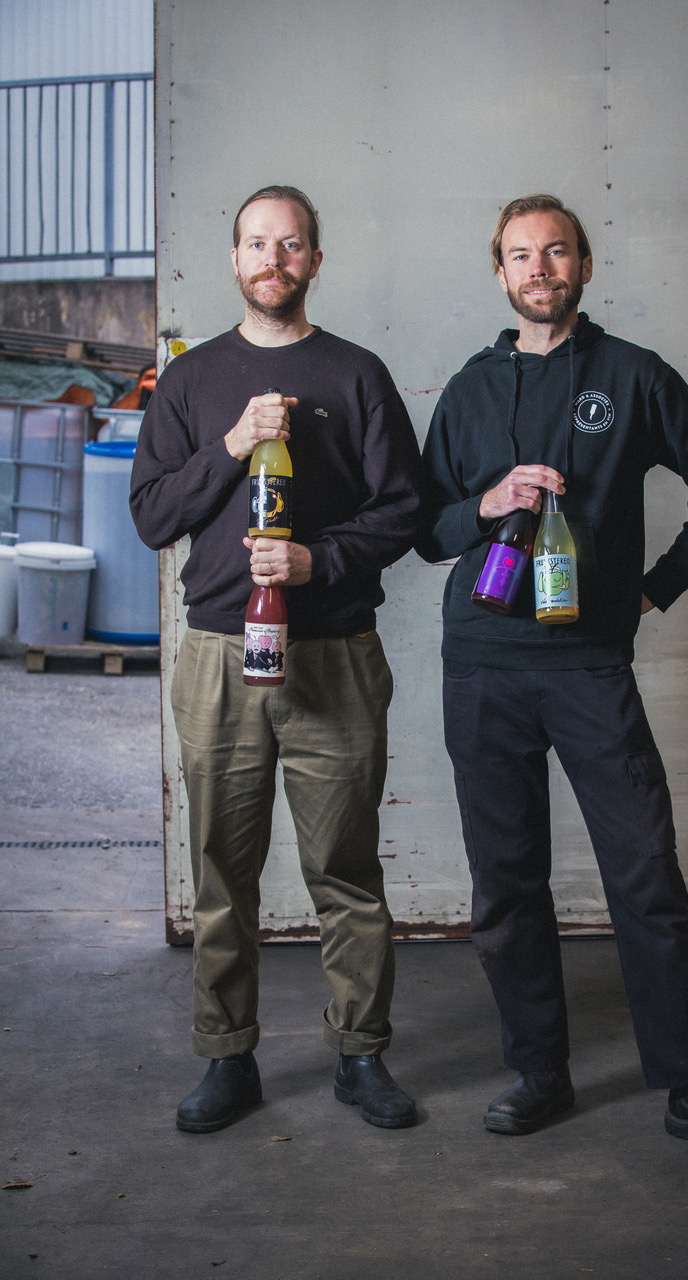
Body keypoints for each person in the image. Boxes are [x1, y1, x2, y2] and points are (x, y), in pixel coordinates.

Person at [417, 194, 688, 1160]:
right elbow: (424, 529)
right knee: (505, 883)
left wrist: (653, 592)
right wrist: (486, 501)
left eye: (557, 252)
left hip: (588, 666)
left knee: (645, 876)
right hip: (484, 665)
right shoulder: (466, 389)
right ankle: (539, 1070)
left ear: (585, 264)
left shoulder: (633, 377)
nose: (539, 268)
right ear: (500, 273)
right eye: (520, 255)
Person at [130, 184, 422, 1133]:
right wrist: (233, 442)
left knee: (345, 867)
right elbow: (152, 517)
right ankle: (228, 1057)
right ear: (235, 260)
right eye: (256, 243)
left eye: (291, 243)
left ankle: (360, 1054)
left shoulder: (357, 374)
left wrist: (316, 559)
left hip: (333, 649)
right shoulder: (191, 383)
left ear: (315, 260)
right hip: (219, 653)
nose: (273, 259)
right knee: (223, 870)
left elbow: (404, 512)